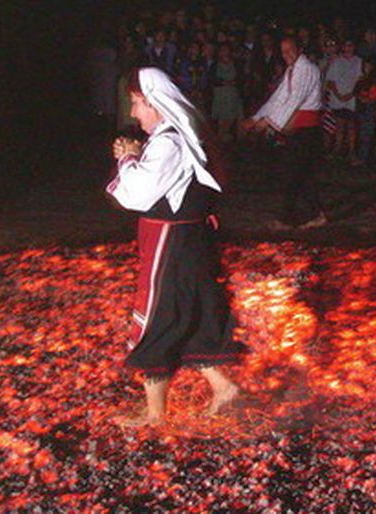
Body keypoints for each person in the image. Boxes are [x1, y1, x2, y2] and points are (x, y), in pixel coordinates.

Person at [106, 67, 243, 427]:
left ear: (156, 102)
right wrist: (135, 154)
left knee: (159, 318)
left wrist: (127, 159)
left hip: (171, 242)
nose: (133, 112)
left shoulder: (169, 142)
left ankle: (155, 414)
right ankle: (224, 388)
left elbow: (136, 194)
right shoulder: (176, 135)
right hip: (186, 240)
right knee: (186, 313)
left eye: (137, 103)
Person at [242, 37, 327, 230]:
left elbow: (294, 100)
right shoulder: (292, 70)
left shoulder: (306, 69)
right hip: (299, 128)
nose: (286, 54)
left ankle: (287, 218)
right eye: (283, 51)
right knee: (301, 173)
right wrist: (257, 117)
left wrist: (268, 122)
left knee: (294, 173)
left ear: (299, 49)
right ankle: (315, 213)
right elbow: (278, 98)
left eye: (290, 50)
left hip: (306, 129)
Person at [326, 39, 363, 161]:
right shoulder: (336, 61)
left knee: (351, 126)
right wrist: (338, 95)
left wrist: (351, 94)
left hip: (352, 99)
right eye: (346, 45)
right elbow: (330, 81)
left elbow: (361, 81)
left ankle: (351, 151)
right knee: (340, 126)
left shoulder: (358, 61)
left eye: (350, 45)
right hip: (338, 99)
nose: (348, 48)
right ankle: (337, 149)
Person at [210, 43, 244, 142]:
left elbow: (241, 78)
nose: (224, 52)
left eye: (226, 49)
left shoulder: (236, 64)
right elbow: (211, 79)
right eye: (222, 50)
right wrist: (224, 82)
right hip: (221, 96)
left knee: (234, 118)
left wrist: (234, 82)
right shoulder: (215, 65)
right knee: (222, 120)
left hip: (233, 96)